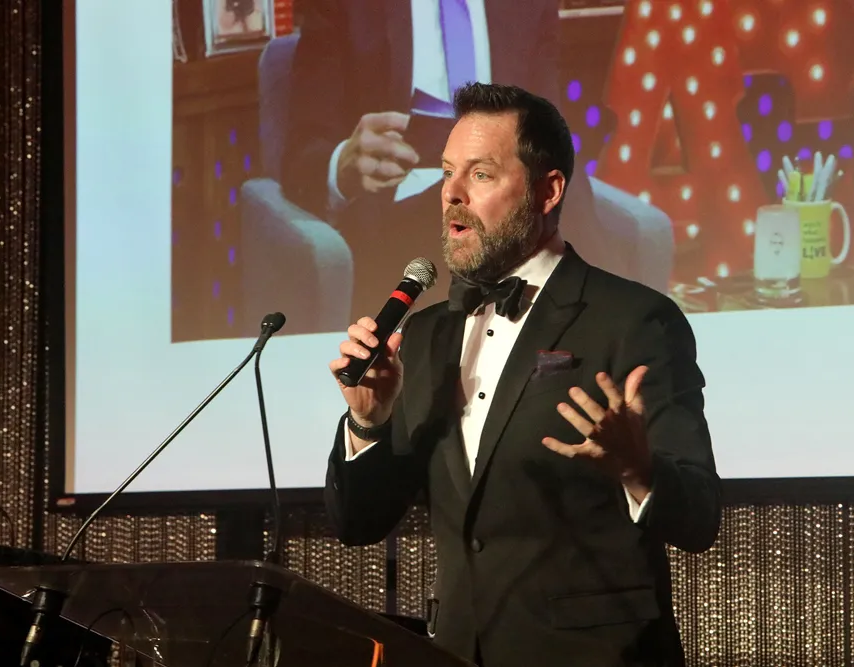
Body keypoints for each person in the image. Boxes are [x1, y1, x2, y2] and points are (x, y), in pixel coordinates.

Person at [324, 83, 720, 667]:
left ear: (547, 190)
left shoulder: (634, 319)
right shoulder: (425, 334)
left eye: (480, 174)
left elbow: (700, 516)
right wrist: (368, 422)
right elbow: (359, 522)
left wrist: (639, 469)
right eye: (447, 173)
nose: (451, 193)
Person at [282, 0, 648, 322]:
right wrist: (343, 165)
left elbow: (547, 124)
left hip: (510, 186)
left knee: (568, 211)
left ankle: (614, 345)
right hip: (401, 198)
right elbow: (301, 154)